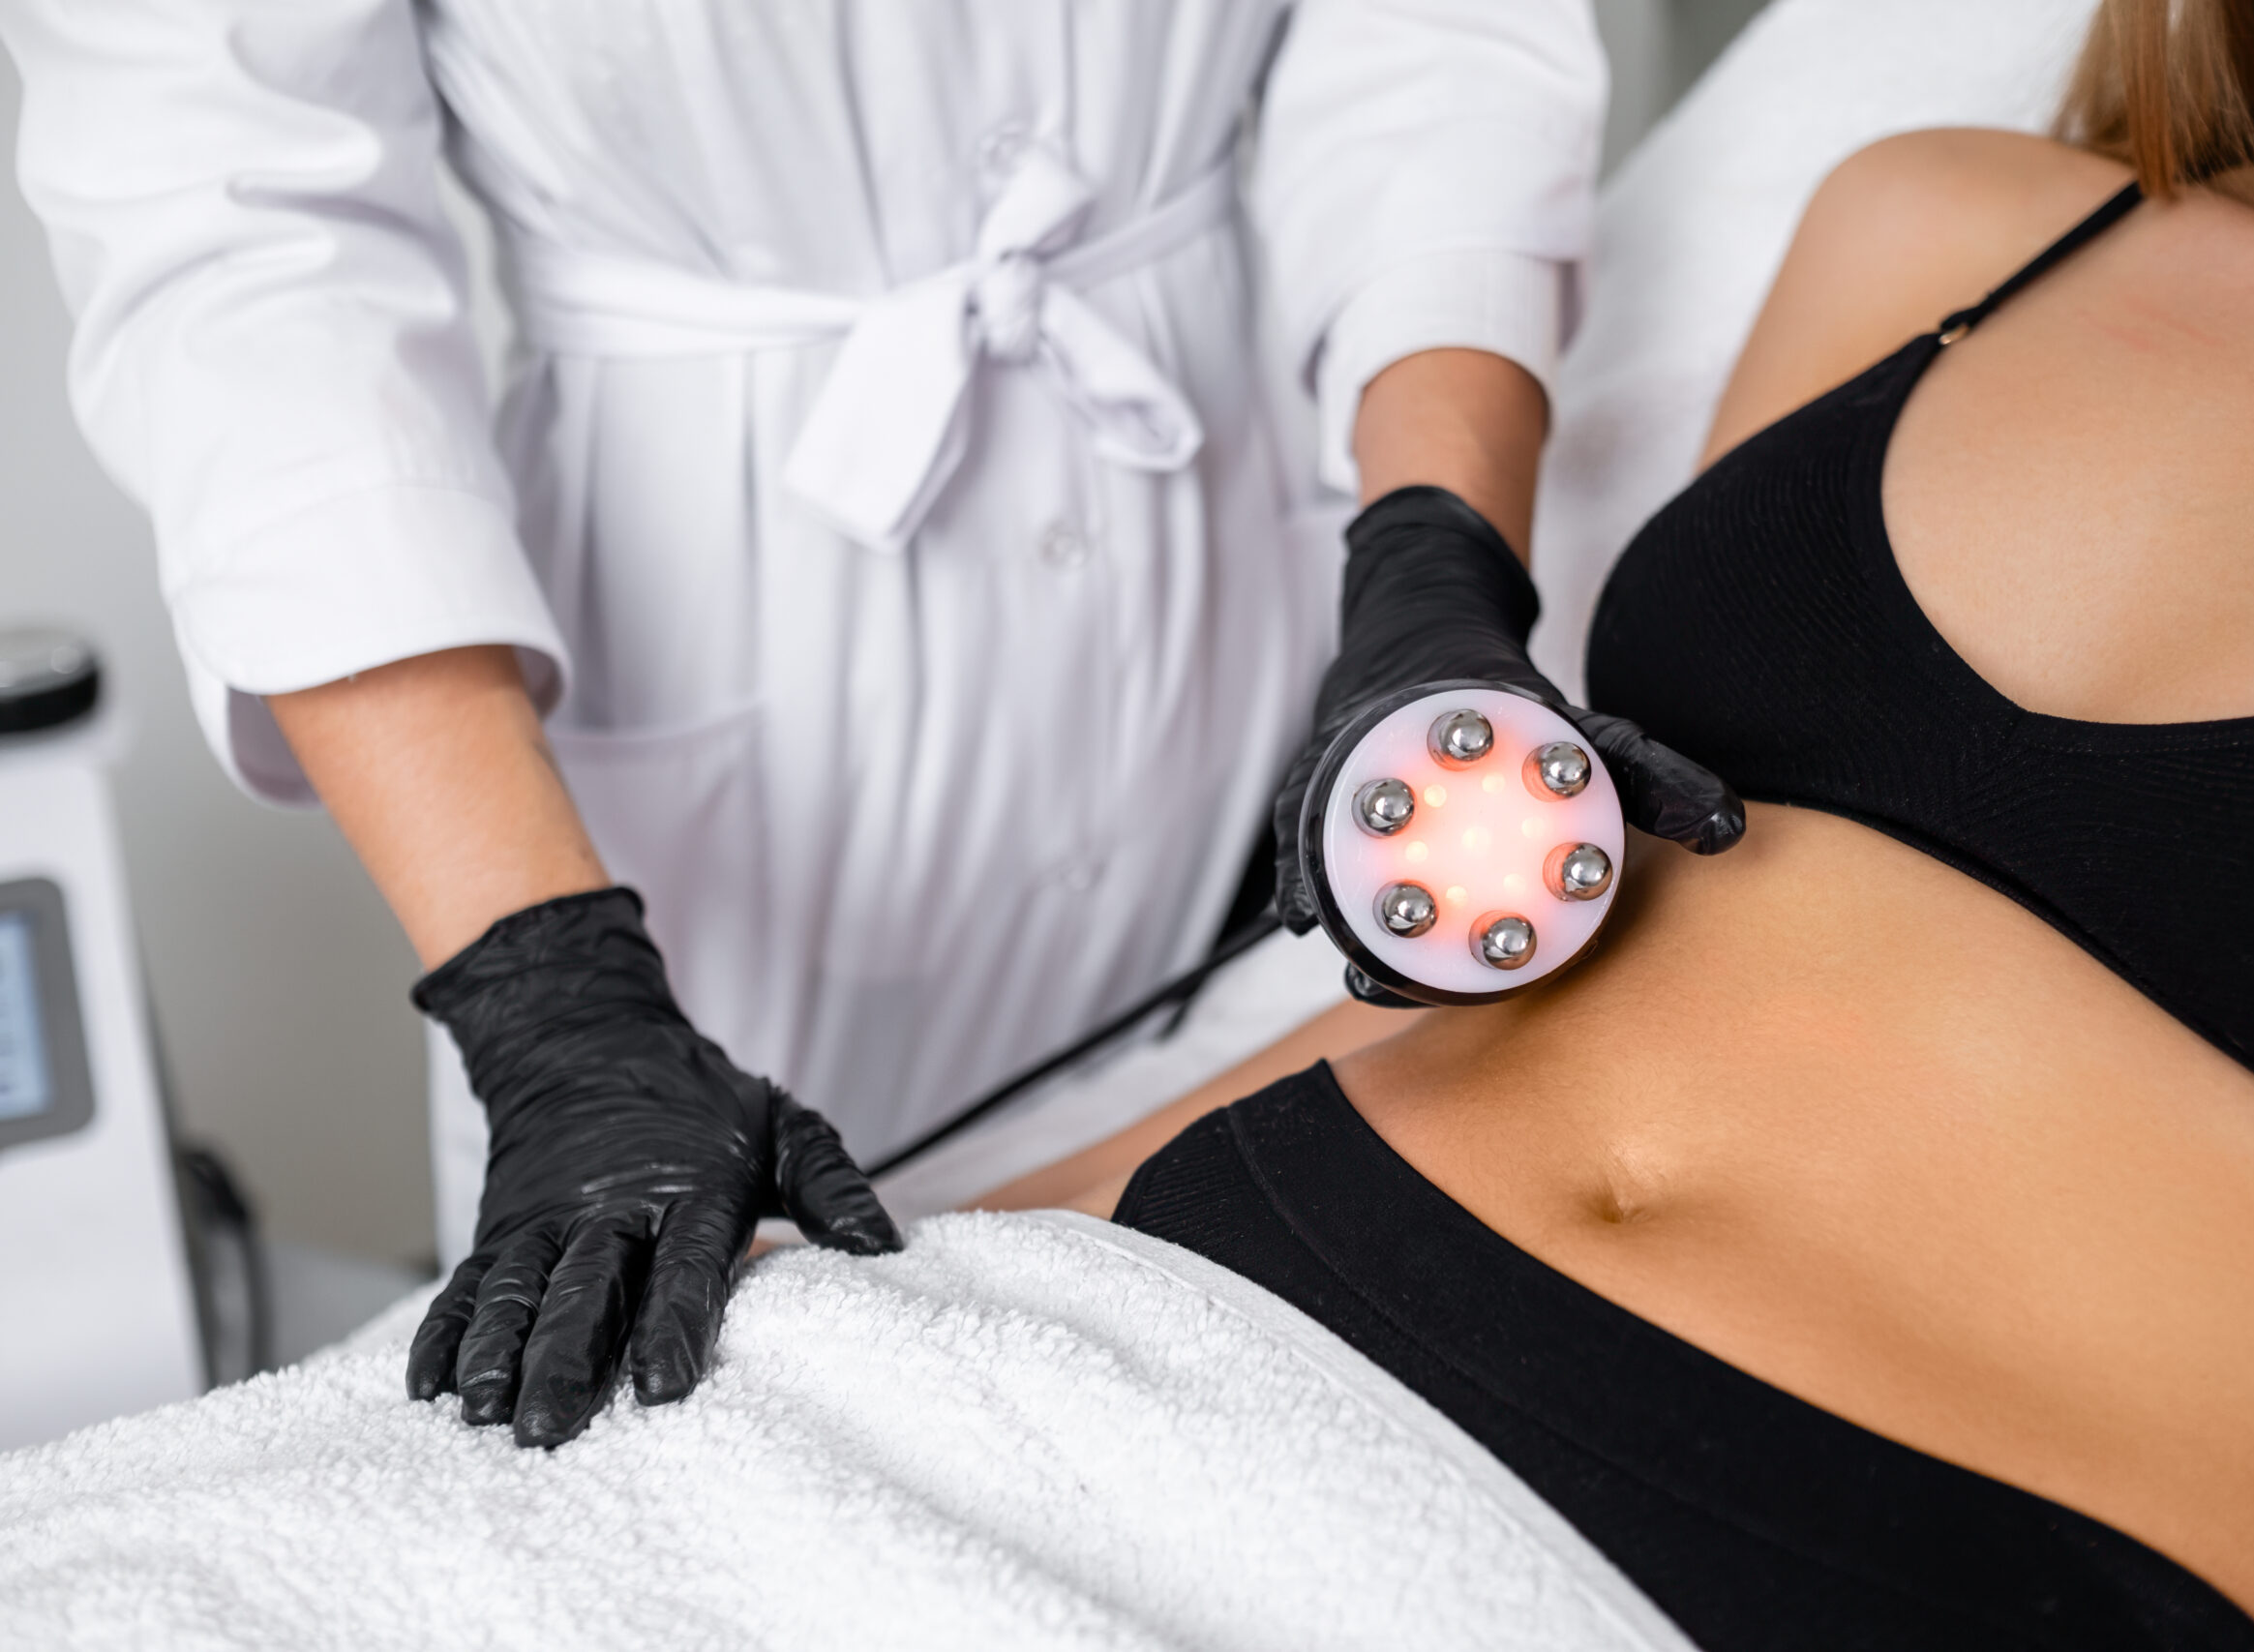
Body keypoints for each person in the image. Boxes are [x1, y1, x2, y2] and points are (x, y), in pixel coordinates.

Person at [0, 4, 1701, 1448]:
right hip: (676, 767)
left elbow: (1427, 42)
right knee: (703, 1414)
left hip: (1255, 606)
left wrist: (1431, 557)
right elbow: (242, 238)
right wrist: (552, 996)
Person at [1102, 0, 2254, 1644]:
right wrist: (912, 1236)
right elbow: (1566, 953)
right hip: (1172, 1318)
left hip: (1876, 1582)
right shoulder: (1944, 229)